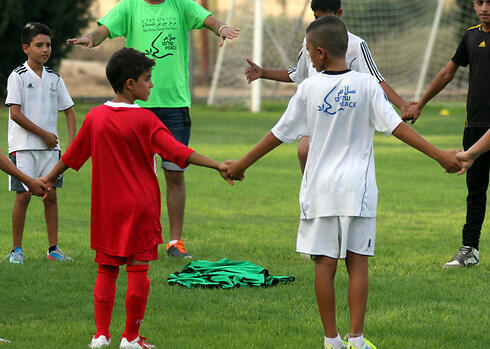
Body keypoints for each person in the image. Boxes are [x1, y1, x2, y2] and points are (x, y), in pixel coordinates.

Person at [227, 16, 461, 349]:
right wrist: (440, 155)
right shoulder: (366, 86)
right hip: (358, 191)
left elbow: (278, 134)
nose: (307, 55)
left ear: (320, 53)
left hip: (319, 191)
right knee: (358, 263)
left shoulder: (308, 89)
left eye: (308, 51)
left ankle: (331, 340)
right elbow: (397, 128)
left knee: (324, 263)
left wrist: (240, 164)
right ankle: (357, 339)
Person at [40, 48, 233, 349]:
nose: (151, 85)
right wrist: (219, 165)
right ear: (130, 84)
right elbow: (179, 152)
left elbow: (73, 156)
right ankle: (131, 338)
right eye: (147, 79)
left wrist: (48, 179)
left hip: (106, 209)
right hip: (140, 207)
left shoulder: (95, 117)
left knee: (106, 268)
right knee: (138, 269)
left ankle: (100, 335)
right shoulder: (146, 120)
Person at [67, 0, 240, 258]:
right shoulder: (129, 7)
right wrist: (91, 38)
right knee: (135, 176)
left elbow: (210, 21)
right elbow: (103, 30)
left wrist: (223, 28)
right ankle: (135, 237)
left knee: (174, 172)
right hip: (138, 107)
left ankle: (175, 242)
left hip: (174, 105)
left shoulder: (181, 5)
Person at [245, 0, 410, 174]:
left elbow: (376, 80)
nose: (318, 22)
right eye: (315, 17)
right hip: (316, 110)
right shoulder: (310, 41)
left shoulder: (356, 45)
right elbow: (297, 73)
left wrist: (402, 104)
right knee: (304, 150)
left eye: (324, 17)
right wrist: (263, 73)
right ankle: (311, 192)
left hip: (343, 114)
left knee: (338, 159)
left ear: (339, 14)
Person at [403, 0, 489, 268]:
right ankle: (470, 248)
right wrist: (421, 103)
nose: (485, 7)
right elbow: (448, 73)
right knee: (475, 191)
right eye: (479, 2)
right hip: (474, 126)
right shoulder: (471, 36)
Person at [5, 22, 76, 265]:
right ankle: (16, 250)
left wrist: (72, 142)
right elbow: (15, 113)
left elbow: (69, 110)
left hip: (50, 151)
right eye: (39, 45)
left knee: (51, 196)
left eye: (48, 45)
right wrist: (44, 134)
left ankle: (53, 249)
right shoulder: (18, 76)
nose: (45, 49)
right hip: (23, 146)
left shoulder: (55, 79)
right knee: (23, 196)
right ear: (26, 48)